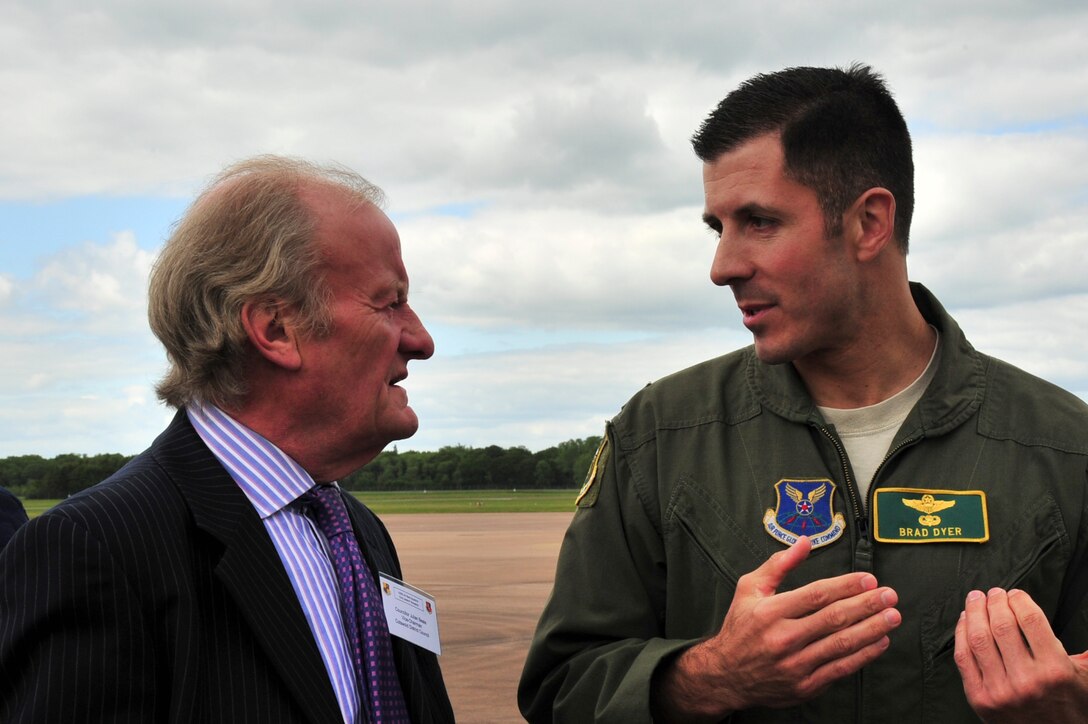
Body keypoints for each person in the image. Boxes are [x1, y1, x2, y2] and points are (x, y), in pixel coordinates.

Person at [519, 65, 1088, 723]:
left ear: (869, 222)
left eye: (758, 221)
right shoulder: (659, 436)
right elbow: (562, 688)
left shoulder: (1064, 448)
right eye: (719, 227)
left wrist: (1069, 704)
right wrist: (714, 677)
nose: (722, 266)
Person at [0, 156, 455, 723]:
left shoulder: (356, 530)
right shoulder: (94, 550)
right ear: (275, 330)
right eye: (390, 302)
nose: (421, 339)